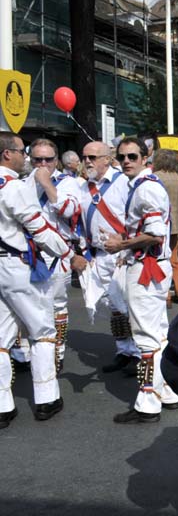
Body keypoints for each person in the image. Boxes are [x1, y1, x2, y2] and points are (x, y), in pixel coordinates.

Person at [0, 132, 76, 427]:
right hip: (19, 267)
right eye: (22, 151)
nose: (26, 157)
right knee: (42, 331)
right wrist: (68, 253)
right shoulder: (13, 186)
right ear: (8, 154)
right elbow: (39, 228)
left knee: (1, 338)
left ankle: (3, 406)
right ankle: (46, 399)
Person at [103, 137, 178, 423]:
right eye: (122, 156)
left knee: (147, 337)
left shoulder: (146, 189)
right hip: (152, 265)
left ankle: (148, 402)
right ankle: (166, 391)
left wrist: (121, 246)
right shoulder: (144, 186)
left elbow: (156, 234)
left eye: (132, 156)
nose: (126, 161)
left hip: (147, 268)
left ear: (145, 157)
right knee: (159, 333)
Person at [79, 141, 141, 374]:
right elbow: (79, 220)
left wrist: (126, 250)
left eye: (93, 157)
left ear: (107, 158)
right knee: (112, 306)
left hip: (121, 254)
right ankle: (123, 350)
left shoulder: (123, 183)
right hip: (98, 256)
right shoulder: (84, 187)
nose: (87, 161)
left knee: (128, 305)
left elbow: (134, 219)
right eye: (85, 157)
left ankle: (138, 351)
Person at [29, 139, 85, 372]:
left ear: (56, 160)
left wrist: (46, 183)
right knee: (29, 305)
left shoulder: (68, 182)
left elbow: (69, 210)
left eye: (48, 159)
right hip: (29, 253)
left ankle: (56, 353)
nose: (43, 164)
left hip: (58, 253)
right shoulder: (23, 183)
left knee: (56, 306)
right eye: (38, 159)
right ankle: (28, 351)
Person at [152, 150, 178, 306]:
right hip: (177, 221)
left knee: (160, 259)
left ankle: (165, 295)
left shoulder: (156, 177)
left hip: (161, 222)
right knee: (175, 260)